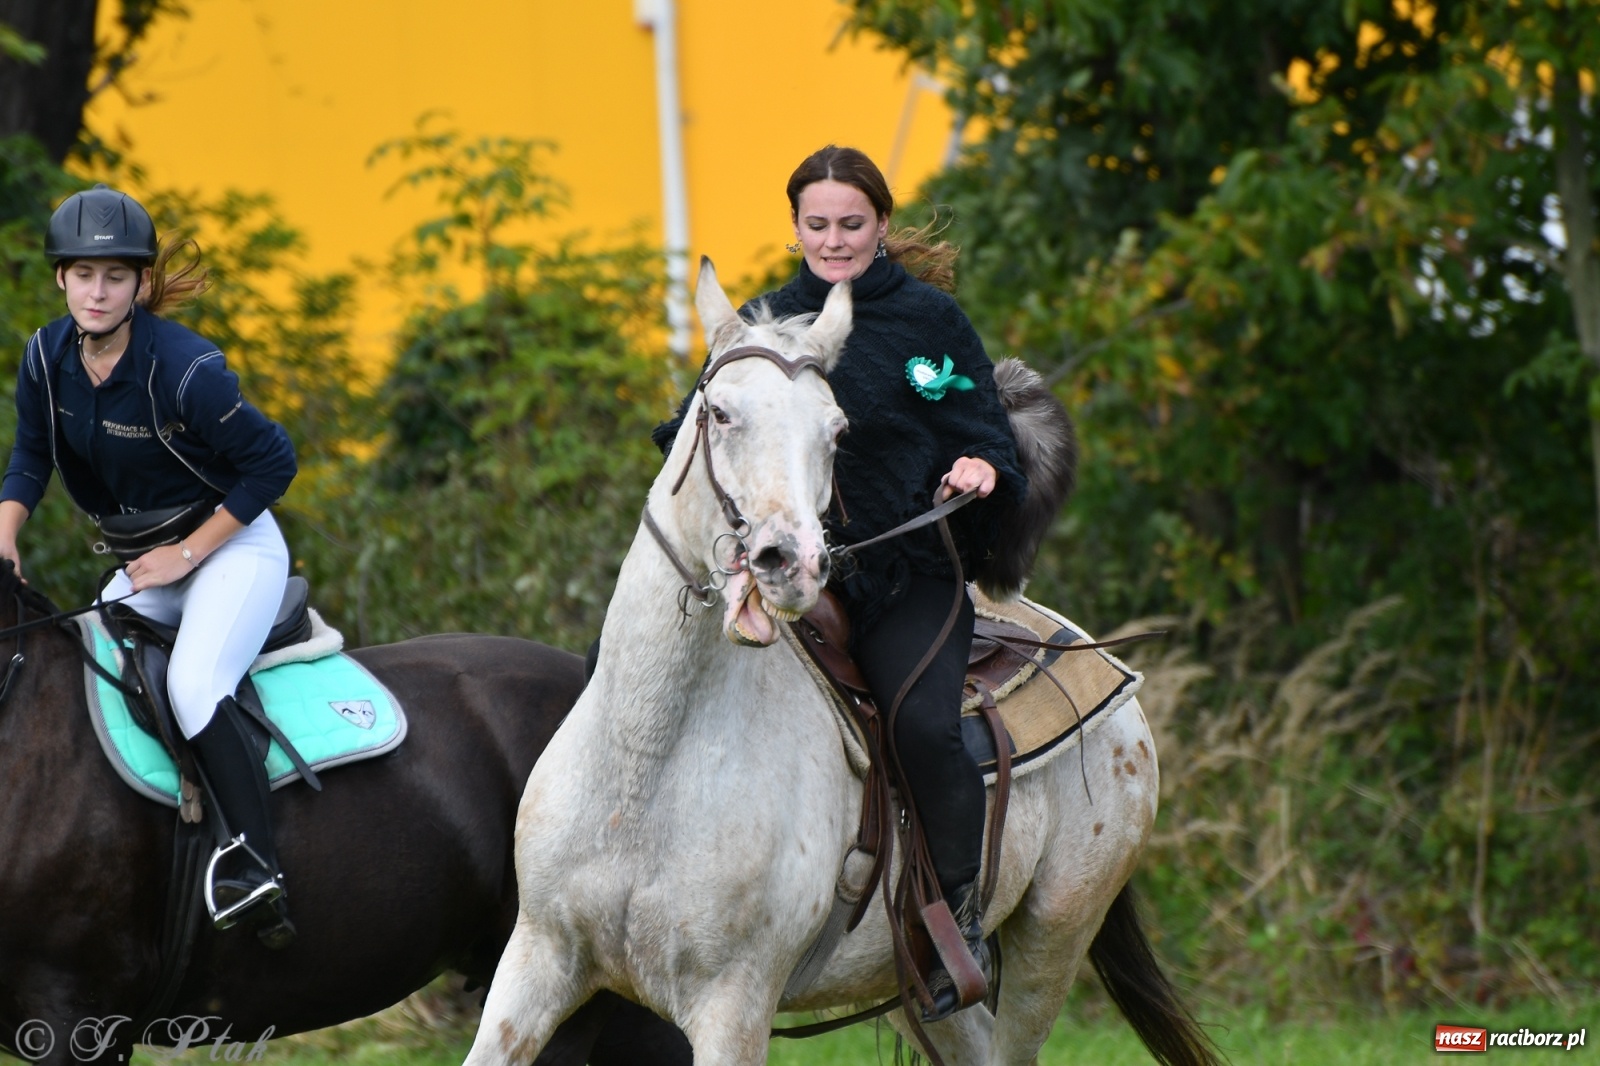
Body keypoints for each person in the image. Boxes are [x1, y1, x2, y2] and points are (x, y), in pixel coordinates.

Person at [653, 145, 1026, 1019]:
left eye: (851, 224)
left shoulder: (931, 323)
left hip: (904, 577)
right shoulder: (764, 322)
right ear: (794, 230)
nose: (834, 240)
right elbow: (689, 434)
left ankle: (958, 920)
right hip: (785, 581)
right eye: (817, 225)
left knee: (923, 726)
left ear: (882, 225)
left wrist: (978, 463)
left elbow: (989, 434)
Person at [0, 184, 299, 944]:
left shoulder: (187, 369)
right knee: (86, 676)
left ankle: (257, 866)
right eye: (83, 275)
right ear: (60, 277)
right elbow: (31, 456)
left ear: (138, 283)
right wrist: (5, 531)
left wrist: (189, 552)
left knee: (197, 686)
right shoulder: (45, 356)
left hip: (232, 549)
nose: (98, 292)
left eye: (116, 277)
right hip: (147, 565)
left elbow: (273, 464)